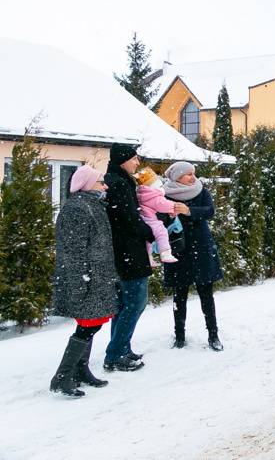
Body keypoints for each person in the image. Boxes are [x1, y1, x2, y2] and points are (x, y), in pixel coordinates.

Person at [50, 166, 118, 397]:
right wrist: (80, 283)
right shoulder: (77, 209)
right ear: (88, 184)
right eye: (101, 182)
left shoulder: (92, 206)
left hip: (97, 278)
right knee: (86, 326)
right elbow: (73, 251)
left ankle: (80, 370)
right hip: (86, 279)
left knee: (92, 324)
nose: (105, 186)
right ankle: (62, 376)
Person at [103, 144, 156, 372]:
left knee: (126, 304)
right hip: (128, 252)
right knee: (135, 303)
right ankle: (116, 354)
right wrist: (150, 232)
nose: (137, 163)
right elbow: (129, 219)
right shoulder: (119, 183)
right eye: (134, 159)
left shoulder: (118, 180)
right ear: (123, 160)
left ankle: (121, 347)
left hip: (125, 251)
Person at [162, 162, 224, 351]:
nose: (192, 177)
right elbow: (158, 217)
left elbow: (210, 211)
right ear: (177, 176)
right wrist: (170, 214)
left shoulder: (200, 191)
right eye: (188, 174)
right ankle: (179, 335)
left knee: (206, 294)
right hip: (178, 249)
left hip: (202, 248)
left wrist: (189, 211)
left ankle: (213, 335)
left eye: (193, 173)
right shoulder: (165, 194)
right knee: (179, 295)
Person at [134, 167, 179, 265]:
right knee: (162, 233)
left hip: (143, 220)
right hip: (152, 220)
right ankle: (165, 253)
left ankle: (148, 258)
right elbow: (163, 204)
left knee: (148, 240)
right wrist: (175, 207)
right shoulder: (153, 196)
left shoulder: (142, 194)